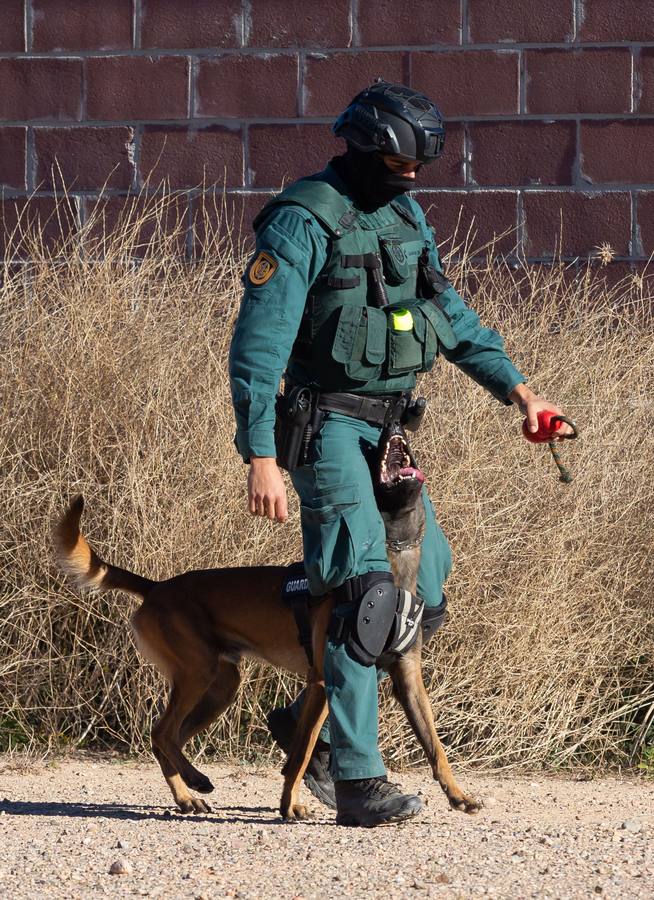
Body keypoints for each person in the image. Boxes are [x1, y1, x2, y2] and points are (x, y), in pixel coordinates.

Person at [228, 81, 573, 827]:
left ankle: (304, 730)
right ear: (363, 147)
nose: (411, 176)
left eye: (418, 166)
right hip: (325, 429)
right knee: (368, 595)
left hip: (389, 430)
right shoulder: (302, 220)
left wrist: (520, 392)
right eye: (399, 162)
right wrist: (259, 453)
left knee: (428, 586)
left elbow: (449, 313)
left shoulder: (404, 215)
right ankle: (356, 779)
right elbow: (258, 344)